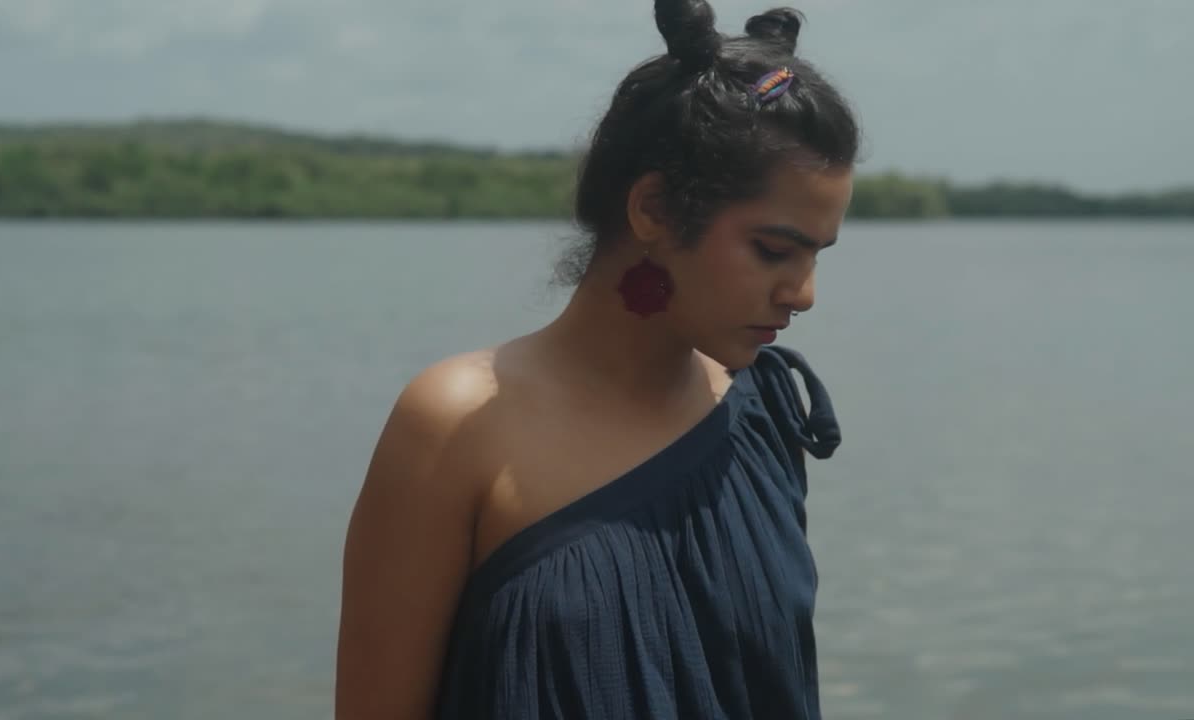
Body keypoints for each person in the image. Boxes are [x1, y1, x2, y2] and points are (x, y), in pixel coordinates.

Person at [334, 1, 860, 717]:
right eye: (773, 250)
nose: (803, 294)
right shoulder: (456, 427)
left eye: (817, 255)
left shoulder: (761, 415)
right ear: (654, 210)